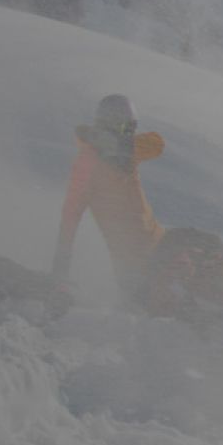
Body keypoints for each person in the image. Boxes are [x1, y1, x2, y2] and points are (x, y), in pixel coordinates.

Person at [53, 93, 165, 302]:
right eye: (125, 129)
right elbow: (69, 218)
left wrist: (121, 147)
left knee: (205, 250)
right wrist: (60, 270)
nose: (129, 135)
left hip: (158, 245)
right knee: (165, 298)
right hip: (132, 264)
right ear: (108, 126)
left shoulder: (127, 152)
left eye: (132, 129)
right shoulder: (88, 163)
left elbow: (157, 144)